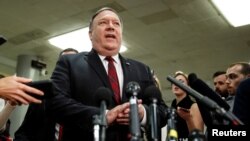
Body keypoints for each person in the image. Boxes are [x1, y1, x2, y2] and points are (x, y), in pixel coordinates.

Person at [46, 7, 168, 141]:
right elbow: (55, 104)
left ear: (121, 33)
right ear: (90, 34)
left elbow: (162, 111)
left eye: (116, 24)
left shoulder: (142, 69)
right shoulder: (69, 63)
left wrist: (142, 113)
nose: (111, 26)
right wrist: (103, 116)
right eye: (103, 22)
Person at [14, 48, 79, 141]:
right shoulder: (42, 95)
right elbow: (24, 132)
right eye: (63, 63)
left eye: (71, 62)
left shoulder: (86, 97)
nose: (67, 66)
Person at [170, 71, 204, 140]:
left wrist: (188, 119)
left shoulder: (194, 106)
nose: (176, 84)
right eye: (174, 82)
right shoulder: (172, 107)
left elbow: (198, 135)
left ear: (188, 87)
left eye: (181, 81)